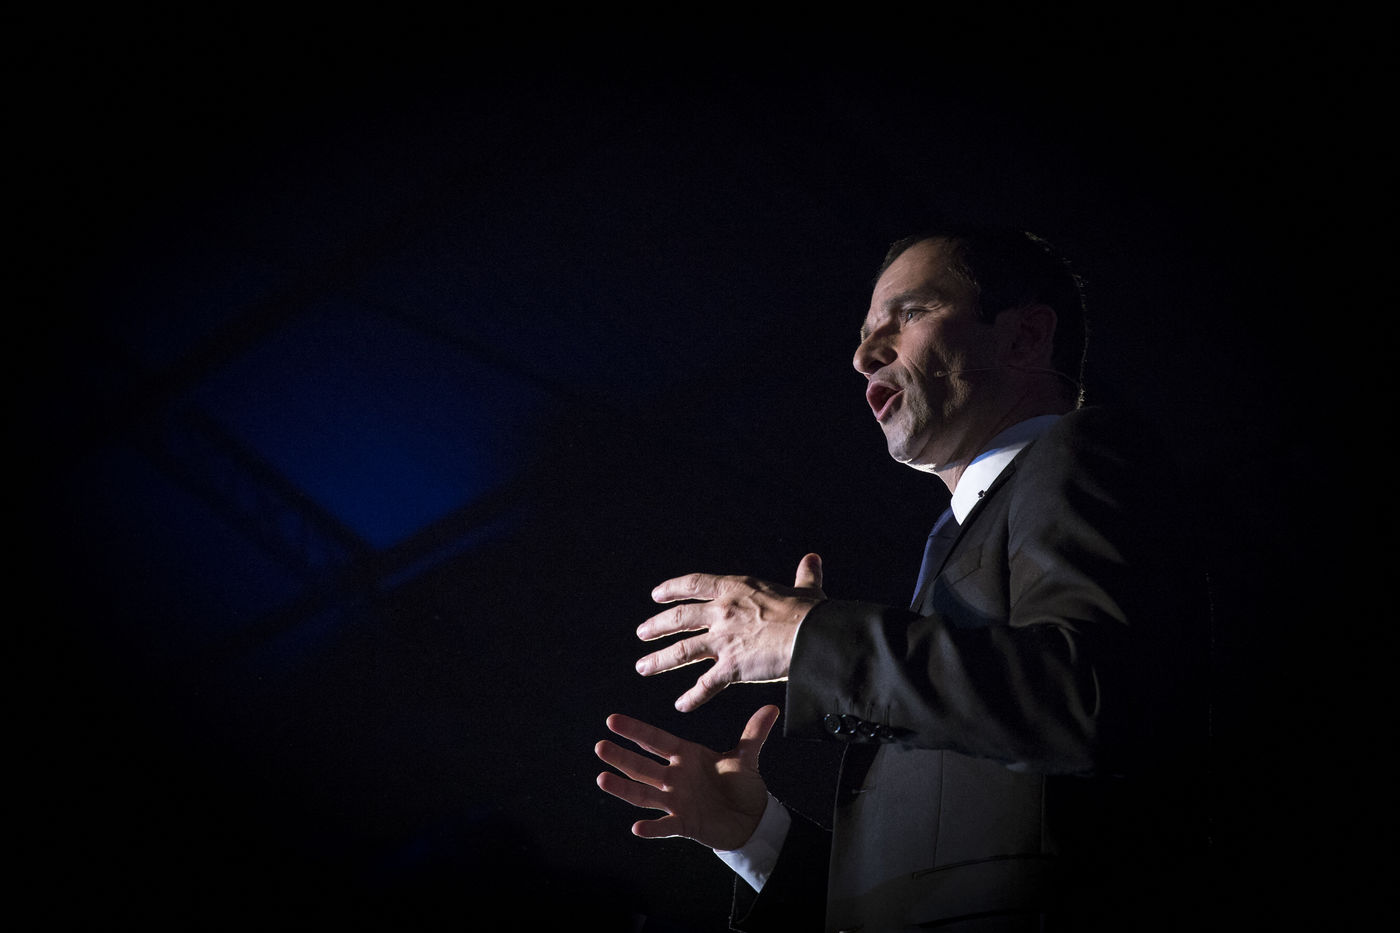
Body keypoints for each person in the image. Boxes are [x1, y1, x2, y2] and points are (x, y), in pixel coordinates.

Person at [594, 226, 1209, 931]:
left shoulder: (1080, 451)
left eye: (909, 313)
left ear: (1024, 336)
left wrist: (810, 636)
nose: (864, 356)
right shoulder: (951, 546)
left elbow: (1092, 698)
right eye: (864, 335)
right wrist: (757, 837)